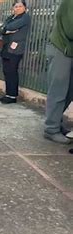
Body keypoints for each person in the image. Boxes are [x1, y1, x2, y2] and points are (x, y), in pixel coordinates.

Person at [44, 0, 73, 144]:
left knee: (70, 90)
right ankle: (51, 129)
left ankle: (56, 121)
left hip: (69, 50)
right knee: (58, 89)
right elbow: (70, 29)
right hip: (60, 48)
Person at [0, 0, 31, 104]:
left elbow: (9, 27)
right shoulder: (11, 17)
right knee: (6, 72)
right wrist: (6, 29)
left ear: (24, 8)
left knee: (12, 71)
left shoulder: (25, 18)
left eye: (20, 6)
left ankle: (12, 96)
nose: (18, 8)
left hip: (16, 49)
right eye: (16, 6)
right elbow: (0, 29)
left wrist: (6, 29)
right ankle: (8, 94)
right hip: (6, 47)